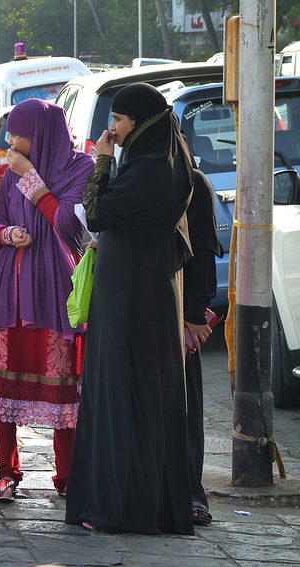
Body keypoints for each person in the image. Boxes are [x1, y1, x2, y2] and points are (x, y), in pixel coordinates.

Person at [65, 83, 195, 535]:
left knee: (127, 392)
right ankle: (125, 502)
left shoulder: (154, 168)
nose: (112, 128)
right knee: (128, 391)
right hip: (136, 290)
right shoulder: (155, 159)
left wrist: (101, 160)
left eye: (118, 120)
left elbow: (96, 210)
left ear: (141, 122)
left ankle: (124, 507)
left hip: (135, 295)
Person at [0, 99, 94, 501]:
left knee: (63, 388)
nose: (11, 141)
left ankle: (67, 476)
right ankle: (7, 473)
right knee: (4, 381)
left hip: (56, 291)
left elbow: (67, 225)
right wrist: (6, 235)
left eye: (18, 133)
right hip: (12, 288)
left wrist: (31, 179)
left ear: (41, 133)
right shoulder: (10, 171)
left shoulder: (81, 168)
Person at [184, 168, 224, 525]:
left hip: (179, 318)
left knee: (184, 406)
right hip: (136, 314)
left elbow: (204, 249)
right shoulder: (132, 173)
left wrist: (195, 313)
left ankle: (192, 494)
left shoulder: (192, 180)